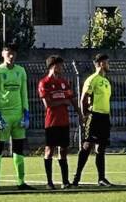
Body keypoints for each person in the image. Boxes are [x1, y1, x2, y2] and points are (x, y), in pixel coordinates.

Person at [0, 44, 34, 191]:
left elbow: (24, 93)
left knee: (19, 149)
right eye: (8, 53)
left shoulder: (21, 71)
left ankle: (21, 182)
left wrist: (26, 113)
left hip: (18, 116)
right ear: (3, 54)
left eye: (13, 53)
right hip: (3, 116)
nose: (11, 55)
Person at [38, 55, 82, 189]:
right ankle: (49, 182)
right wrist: (63, 101)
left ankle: (65, 181)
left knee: (63, 150)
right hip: (51, 122)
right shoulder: (44, 83)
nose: (62, 68)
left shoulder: (64, 82)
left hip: (64, 122)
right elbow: (48, 104)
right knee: (49, 150)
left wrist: (80, 114)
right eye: (60, 65)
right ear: (53, 66)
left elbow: (72, 99)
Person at [72, 53, 113, 187]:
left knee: (101, 148)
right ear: (101, 63)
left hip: (104, 117)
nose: (108, 65)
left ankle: (101, 178)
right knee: (88, 145)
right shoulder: (92, 79)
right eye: (107, 62)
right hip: (94, 116)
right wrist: (84, 115)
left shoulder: (106, 81)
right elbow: (83, 98)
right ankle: (76, 177)